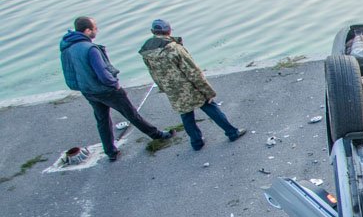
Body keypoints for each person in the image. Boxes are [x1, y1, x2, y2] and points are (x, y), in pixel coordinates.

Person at [59, 16, 173, 162]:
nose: (97, 30)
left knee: (102, 120)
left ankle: (110, 151)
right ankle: (158, 135)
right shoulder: (91, 49)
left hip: (88, 91)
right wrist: (114, 84)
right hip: (106, 90)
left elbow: (70, 72)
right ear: (87, 30)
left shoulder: (68, 47)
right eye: (95, 28)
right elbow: (102, 73)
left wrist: (82, 87)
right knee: (131, 114)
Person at [138, 19, 245, 151]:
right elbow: (193, 71)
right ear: (169, 30)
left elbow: (153, 73)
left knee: (186, 116)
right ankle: (232, 132)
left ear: (152, 31)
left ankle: (196, 142)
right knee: (210, 107)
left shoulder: (146, 52)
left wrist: (163, 88)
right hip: (189, 87)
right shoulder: (174, 48)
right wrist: (207, 90)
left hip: (172, 90)